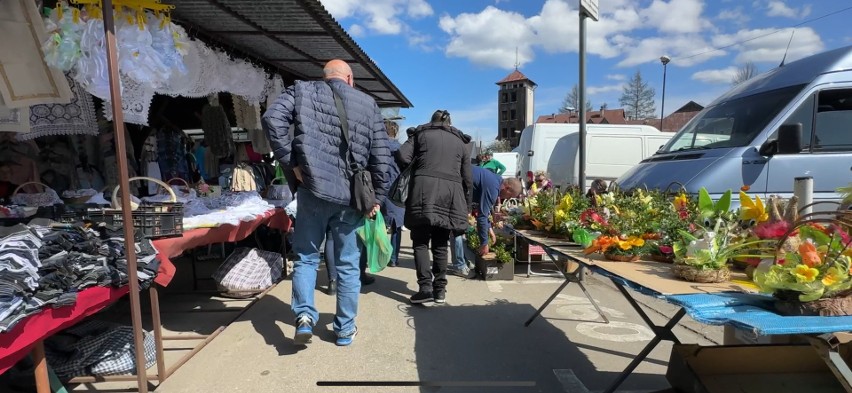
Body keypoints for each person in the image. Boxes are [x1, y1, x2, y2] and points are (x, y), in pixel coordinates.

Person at [263, 59, 391, 347]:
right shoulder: (368, 104)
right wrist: (378, 198)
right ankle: (344, 330)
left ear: (325, 77)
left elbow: (272, 119)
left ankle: (305, 318)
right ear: (350, 79)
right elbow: (381, 156)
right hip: (350, 197)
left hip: (312, 191)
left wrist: (291, 163)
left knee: (306, 258)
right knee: (347, 264)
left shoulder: (301, 91)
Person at [396, 110, 472, 304]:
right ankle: (440, 290)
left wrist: (419, 166)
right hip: (450, 195)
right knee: (440, 243)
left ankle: (425, 288)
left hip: (423, 191)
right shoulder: (461, 142)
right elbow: (467, 178)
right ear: (449, 123)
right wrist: (467, 205)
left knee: (420, 241)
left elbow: (402, 155)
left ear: (431, 121)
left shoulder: (420, 134)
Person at [449, 166, 523, 276]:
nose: (506, 199)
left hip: (456, 189)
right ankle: (459, 266)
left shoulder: (495, 181)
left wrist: (490, 230)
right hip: (452, 190)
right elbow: (482, 217)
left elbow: (485, 210)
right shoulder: (493, 187)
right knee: (457, 228)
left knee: (458, 228)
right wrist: (484, 243)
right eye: (509, 196)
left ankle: (462, 262)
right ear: (507, 188)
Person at [381, 120, 405, 267]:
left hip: (378, 189)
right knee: (396, 227)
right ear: (395, 132)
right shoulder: (401, 150)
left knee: (376, 225)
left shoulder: (377, 148)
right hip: (397, 192)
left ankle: (376, 255)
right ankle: (394, 259)